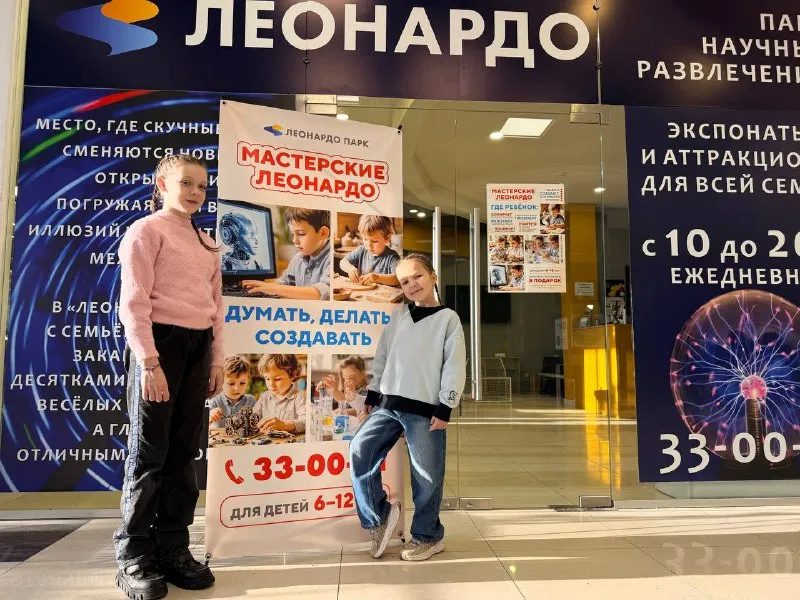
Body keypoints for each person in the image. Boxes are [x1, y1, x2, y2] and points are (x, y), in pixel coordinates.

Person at [114, 154, 223, 600]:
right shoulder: (145, 231)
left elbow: (216, 310)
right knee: (149, 454)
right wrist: (149, 363)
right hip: (160, 347)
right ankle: (134, 554)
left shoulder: (209, 244)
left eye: (202, 186)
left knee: (183, 454)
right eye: (186, 183)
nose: (196, 192)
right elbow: (133, 304)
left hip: (198, 349)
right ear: (162, 184)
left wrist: (216, 361)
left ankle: (173, 548)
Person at [349, 253, 466, 562]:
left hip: (425, 410)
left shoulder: (448, 319)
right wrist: (372, 394)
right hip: (388, 405)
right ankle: (379, 518)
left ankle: (428, 536)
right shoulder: (399, 315)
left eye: (417, 276)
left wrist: (446, 405)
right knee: (360, 450)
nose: (412, 284)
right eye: (404, 281)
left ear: (433, 276)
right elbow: (383, 355)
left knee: (427, 476)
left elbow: (454, 365)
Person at [243, 208, 331, 300]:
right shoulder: (298, 258)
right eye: (293, 234)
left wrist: (275, 289)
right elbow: (284, 282)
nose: (294, 240)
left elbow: (322, 293)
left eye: (301, 233)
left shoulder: (331, 258)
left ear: (323, 233)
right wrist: (264, 287)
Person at [340, 215, 401, 286]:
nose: (369, 245)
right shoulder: (361, 250)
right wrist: (350, 269)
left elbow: (397, 279)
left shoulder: (392, 257)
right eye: (365, 239)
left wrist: (377, 278)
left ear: (387, 238)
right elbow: (343, 262)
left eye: (374, 241)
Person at [253, 354, 307, 434]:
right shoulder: (264, 397)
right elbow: (254, 417)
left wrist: (284, 425)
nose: (271, 384)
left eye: (277, 379)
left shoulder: (300, 397)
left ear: (292, 375)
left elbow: (306, 421)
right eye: (267, 379)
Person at [208, 355, 257, 429]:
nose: (237, 388)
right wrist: (210, 416)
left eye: (242, 383)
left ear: (248, 380)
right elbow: (201, 424)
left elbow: (257, 423)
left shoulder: (251, 401)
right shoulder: (214, 401)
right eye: (231, 384)